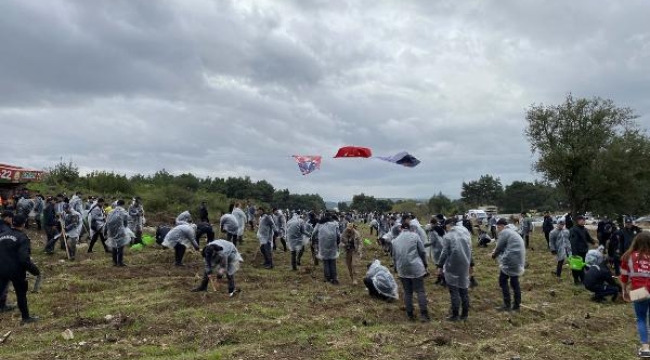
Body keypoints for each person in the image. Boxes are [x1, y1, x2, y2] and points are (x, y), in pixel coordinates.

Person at [0, 214, 40, 324]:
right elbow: (23, 258)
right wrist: (34, 270)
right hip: (16, 271)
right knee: (21, 294)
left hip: (1, 269)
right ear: (23, 223)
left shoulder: (2, 235)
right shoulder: (23, 238)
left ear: (12, 222)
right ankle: (25, 318)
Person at [620, 232, 650, 358]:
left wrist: (624, 290)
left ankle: (645, 348)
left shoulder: (628, 256)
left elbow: (624, 276)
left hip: (639, 292)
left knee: (641, 319)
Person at [392, 223, 429, 322]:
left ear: (401, 229)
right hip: (416, 267)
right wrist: (425, 264)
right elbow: (422, 251)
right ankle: (424, 315)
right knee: (420, 290)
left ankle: (410, 314)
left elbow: (394, 257)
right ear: (410, 228)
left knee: (407, 292)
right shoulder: (415, 236)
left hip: (402, 269)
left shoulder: (395, 240)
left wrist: (396, 268)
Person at [437, 218, 472, 322]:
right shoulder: (465, 233)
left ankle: (455, 315)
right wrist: (470, 263)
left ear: (449, 225)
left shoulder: (448, 237)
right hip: (465, 263)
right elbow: (470, 249)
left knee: (454, 290)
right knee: (464, 290)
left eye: (445, 226)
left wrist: (439, 265)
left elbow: (444, 252)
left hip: (452, 265)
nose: (445, 228)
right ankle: (465, 315)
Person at [492, 218, 526, 312]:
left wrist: (493, 255)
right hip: (517, 260)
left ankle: (507, 305)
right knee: (514, 282)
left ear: (502, 226)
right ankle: (516, 306)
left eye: (498, 227)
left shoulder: (505, 232)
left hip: (511, 260)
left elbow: (499, 247)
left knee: (502, 280)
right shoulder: (512, 232)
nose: (497, 229)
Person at [313, 212, 341, 284]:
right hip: (332, 245)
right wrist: (337, 243)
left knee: (325, 261)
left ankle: (327, 278)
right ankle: (334, 277)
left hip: (323, 245)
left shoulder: (319, 224)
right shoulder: (335, 224)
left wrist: (313, 241)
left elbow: (314, 233)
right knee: (332, 261)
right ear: (331, 217)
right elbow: (338, 235)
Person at [569, 215, 596, 286]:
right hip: (577, 252)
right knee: (576, 267)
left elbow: (588, 238)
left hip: (584, 251)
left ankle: (583, 280)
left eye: (584, 220)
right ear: (577, 221)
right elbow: (573, 242)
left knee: (582, 266)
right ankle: (576, 280)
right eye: (581, 220)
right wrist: (574, 253)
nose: (583, 221)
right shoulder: (573, 229)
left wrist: (594, 242)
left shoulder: (584, 229)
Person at [106, 200, 131, 267]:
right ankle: (120, 262)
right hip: (120, 231)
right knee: (120, 246)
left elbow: (107, 222)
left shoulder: (111, 211)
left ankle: (114, 262)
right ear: (123, 204)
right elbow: (127, 219)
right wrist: (125, 227)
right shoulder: (123, 211)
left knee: (114, 246)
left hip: (112, 231)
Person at [425, 217, 446, 286]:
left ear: (431, 223)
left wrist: (423, 245)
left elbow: (432, 242)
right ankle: (440, 278)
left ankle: (443, 279)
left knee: (439, 265)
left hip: (437, 249)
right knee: (442, 264)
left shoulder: (432, 231)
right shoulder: (440, 228)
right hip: (442, 247)